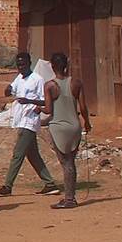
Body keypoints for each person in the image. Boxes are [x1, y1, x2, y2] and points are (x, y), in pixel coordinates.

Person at [0, 52, 61, 197]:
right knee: (33, 155)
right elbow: (10, 91)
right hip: (20, 119)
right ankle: (50, 184)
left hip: (29, 121)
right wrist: (7, 89)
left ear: (29, 63)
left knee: (17, 154)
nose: (20, 67)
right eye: (18, 65)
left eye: (23, 64)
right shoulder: (19, 78)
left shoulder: (37, 79)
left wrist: (30, 102)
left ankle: (8, 185)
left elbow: (45, 101)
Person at [42, 51, 91, 209]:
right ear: (66, 65)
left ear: (52, 66)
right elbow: (83, 107)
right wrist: (87, 123)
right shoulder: (76, 83)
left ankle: (69, 199)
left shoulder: (50, 85)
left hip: (58, 128)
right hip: (74, 126)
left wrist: (38, 109)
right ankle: (70, 196)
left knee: (66, 163)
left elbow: (49, 110)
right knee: (71, 161)